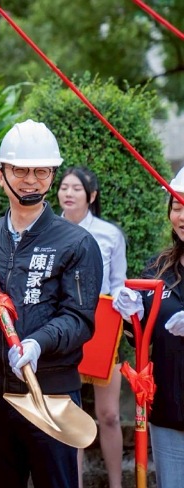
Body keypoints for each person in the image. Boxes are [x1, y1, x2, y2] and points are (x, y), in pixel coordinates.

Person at [0, 120, 103, 488]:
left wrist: (37, 342)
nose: (31, 179)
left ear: (52, 176)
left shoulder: (76, 243)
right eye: (20, 170)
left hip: (51, 391)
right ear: (2, 175)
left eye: (41, 171)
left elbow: (79, 319)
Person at [112, 166, 184, 488]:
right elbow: (140, 341)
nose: (182, 216)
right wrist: (132, 318)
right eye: (177, 206)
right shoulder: (158, 269)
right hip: (168, 408)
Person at [57, 166, 126, 488]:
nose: (68, 193)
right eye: (64, 187)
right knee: (70, 417)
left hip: (103, 331)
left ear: (91, 196)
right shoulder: (48, 229)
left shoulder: (109, 235)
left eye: (76, 189)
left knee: (109, 414)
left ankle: (117, 483)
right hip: (60, 331)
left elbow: (119, 286)